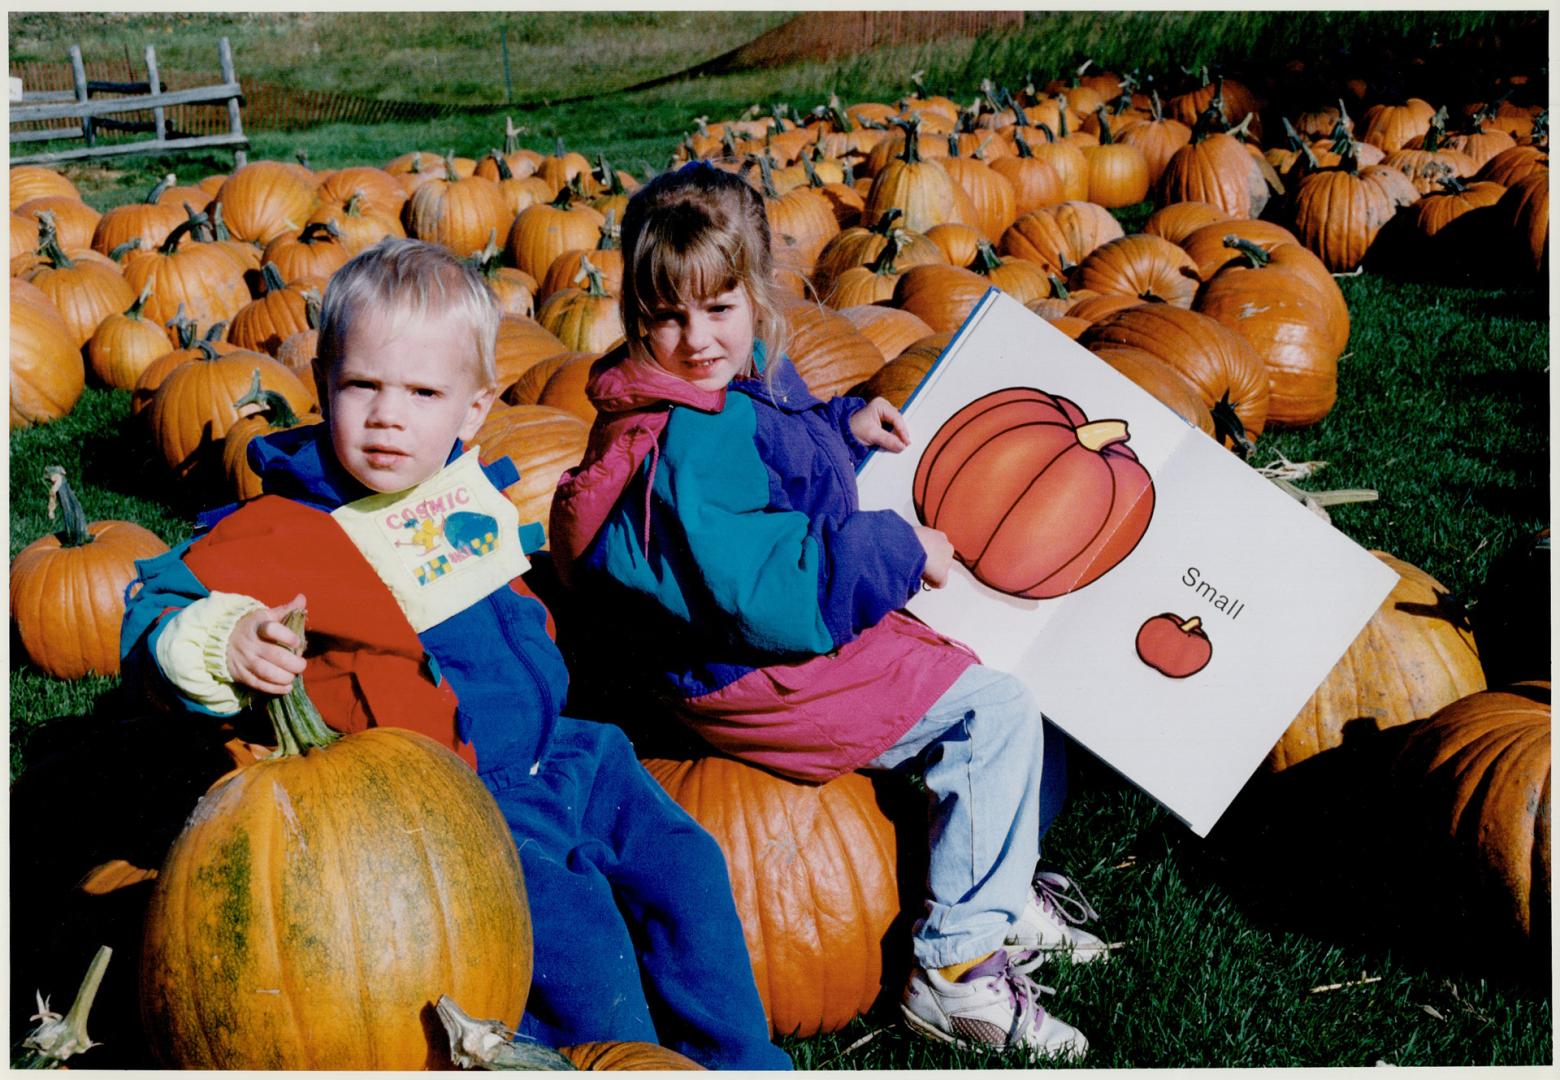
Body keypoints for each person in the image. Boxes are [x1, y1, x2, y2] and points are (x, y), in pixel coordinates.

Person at [119, 237, 790, 1071]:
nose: (388, 415)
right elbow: (155, 608)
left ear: (473, 409)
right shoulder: (284, 528)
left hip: (570, 751)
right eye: (362, 385)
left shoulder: (458, 497)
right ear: (325, 381)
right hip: (456, 811)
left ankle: (742, 1059)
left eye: (422, 392)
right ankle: (622, 1061)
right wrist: (220, 642)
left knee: (688, 867)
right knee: (575, 940)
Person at [549, 161, 1108, 1060]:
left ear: (759, 292)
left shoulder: (737, 381)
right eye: (667, 317)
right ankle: (957, 966)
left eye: (719, 308)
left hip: (757, 635)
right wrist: (896, 549)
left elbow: (779, 459)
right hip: (749, 669)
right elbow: (771, 587)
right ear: (633, 313)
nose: (696, 339)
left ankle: (1001, 887)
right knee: (992, 710)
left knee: (1014, 667)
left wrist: (845, 428)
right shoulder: (687, 435)